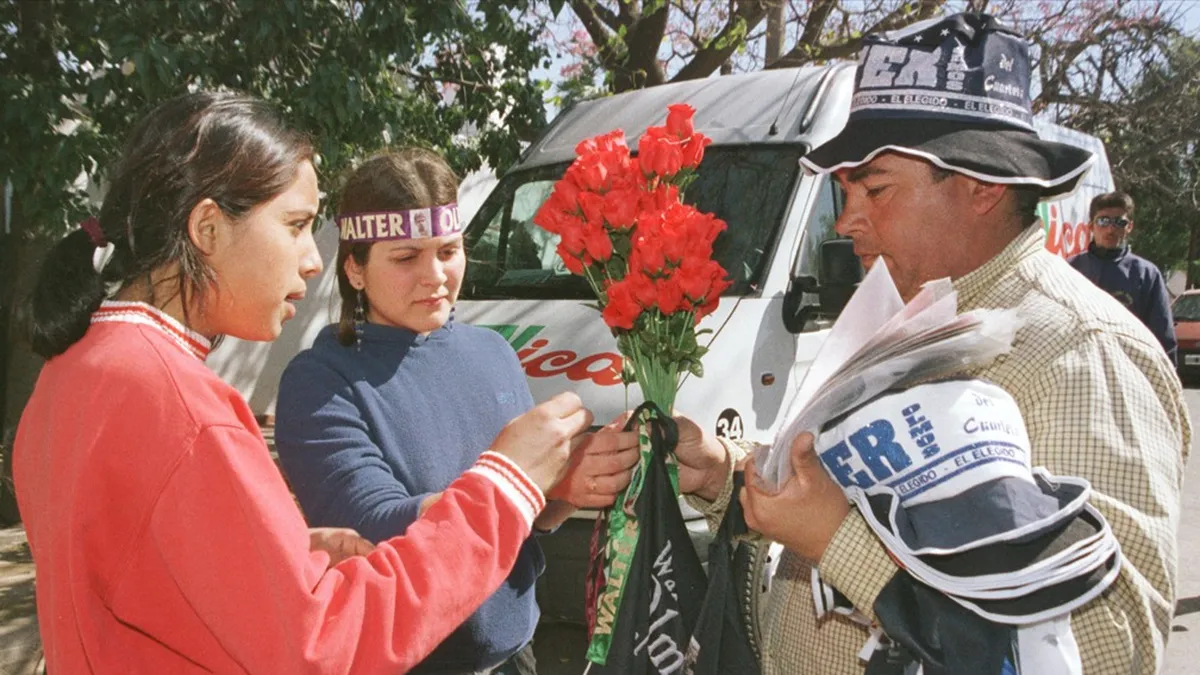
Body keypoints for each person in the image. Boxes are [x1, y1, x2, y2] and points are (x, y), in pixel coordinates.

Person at [668, 13, 1190, 675]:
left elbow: (1109, 647)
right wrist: (729, 471)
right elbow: (858, 478)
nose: (849, 220)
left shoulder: (1081, 351)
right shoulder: (908, 310)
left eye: (876, 189)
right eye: (845, 190)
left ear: (981, 185)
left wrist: (840, 543)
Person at [14, 91, 593, 675]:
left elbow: (138, 580)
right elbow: (324, 648)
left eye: (448, 250)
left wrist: (281, 560)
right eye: (295, 226)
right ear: (208, 228)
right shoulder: (182, 406)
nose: (311, 260)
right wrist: (506, 485)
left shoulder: (77, 370)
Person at [273, 149, 641, 675]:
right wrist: (537, 481)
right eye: (406, 258)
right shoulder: (318, 382)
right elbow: (376, 532)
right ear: (355, 268)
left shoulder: (493, 351)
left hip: (517, 653)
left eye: (448, 250)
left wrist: (573, 482)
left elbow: (521, 523)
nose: (435, 276)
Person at [1070, 191, 1178, 364]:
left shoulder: (1146, 274)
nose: (1111, 229)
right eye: (1103, 221)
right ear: (1090, 226)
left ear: (1130, 227)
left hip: (1130, 371)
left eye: (1120, 222)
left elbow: (1163, 337)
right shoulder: (1070, 270)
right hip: (1079, 369)